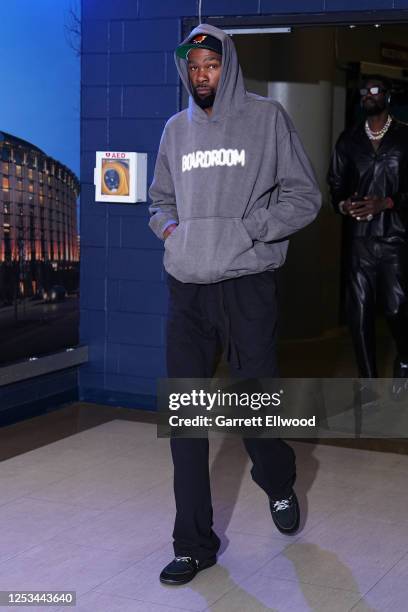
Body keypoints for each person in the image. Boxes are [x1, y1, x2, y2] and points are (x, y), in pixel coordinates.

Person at [149, 24, 321, 585]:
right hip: (189, 286)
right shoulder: (175, 130)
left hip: (247, 282)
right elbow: (159, 201)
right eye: (193, 67)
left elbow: (304, 196)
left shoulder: (267, 119)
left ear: (228, 65)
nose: (201, 75)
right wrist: (173, 230)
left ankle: (278, 477)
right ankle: (192, 544)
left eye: (210, 65)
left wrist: (249, 231)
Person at [327, 75, 408, 393]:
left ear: (388, 96)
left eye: (374, 90)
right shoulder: (348, 141)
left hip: (396, 238)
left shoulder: (404, 138)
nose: (368, 96)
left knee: (397, 306)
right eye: (363, 92)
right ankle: (368, 384)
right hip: (360, 240)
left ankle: (404, 358)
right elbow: (334, 184)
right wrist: (344, 204)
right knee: (358, 314)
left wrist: (388, 201)